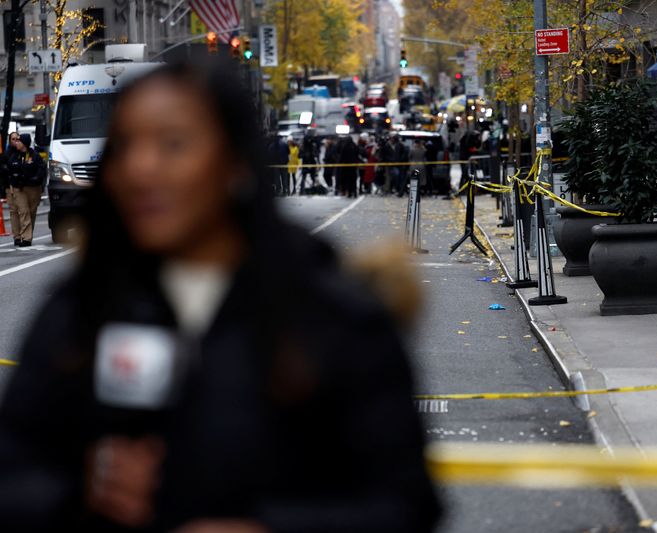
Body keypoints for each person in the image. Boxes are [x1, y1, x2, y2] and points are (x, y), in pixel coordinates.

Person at [0, 60, 440, 532]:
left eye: (174, 144)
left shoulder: (334, 315)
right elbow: (15, 477)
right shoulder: (80, 310)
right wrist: (80, 490)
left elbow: (402, 504)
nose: (142, 168)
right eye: (126, 146)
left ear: (234, 162)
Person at [6, 133, 46, 247]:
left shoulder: (35, 155)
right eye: (15, 141)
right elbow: (10, 170)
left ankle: (28, 235)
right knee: (24, 211)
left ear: (24, 143)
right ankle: (26, 238)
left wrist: (35, 179)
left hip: (33, 188)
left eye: (19, 141)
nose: (16, 143)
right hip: (19, 189)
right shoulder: (14, 156)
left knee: (32, 212)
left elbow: (41, 170)